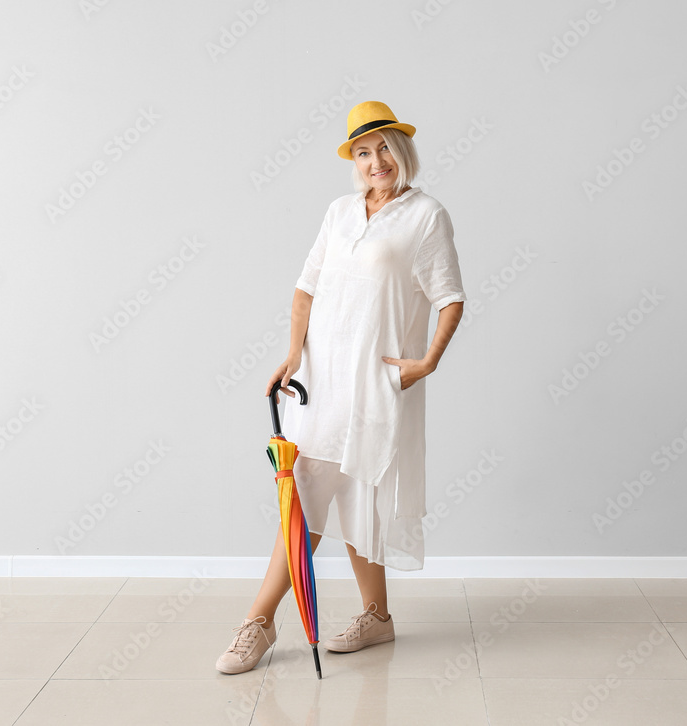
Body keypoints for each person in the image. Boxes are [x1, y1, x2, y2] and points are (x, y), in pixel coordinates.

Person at [216, 100, 467, 675]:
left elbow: (450, 296)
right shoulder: (338, 212)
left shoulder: (426, 216)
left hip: (375, 382)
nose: (374, 161)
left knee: (358, 493)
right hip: (319, 380)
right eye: (362, 152)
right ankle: (267, 619)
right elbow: (306, 289)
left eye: (383, 148)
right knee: (303, 496)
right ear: (352, 161)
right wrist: (291, 356)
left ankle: (358, 617)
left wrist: (425, 362)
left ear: (401, 150)